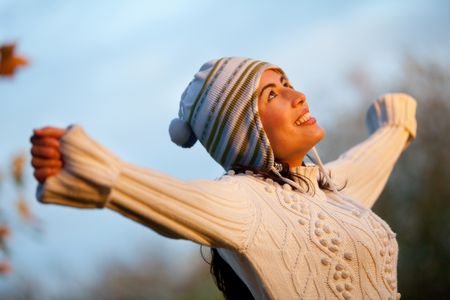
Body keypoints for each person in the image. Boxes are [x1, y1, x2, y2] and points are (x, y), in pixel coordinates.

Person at [30, 57, 417, 299]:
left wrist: (393, 126)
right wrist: (86, 168)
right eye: (271, 95)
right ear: (244, 131)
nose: (297, 95)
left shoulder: (328, 190)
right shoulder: (244, 202)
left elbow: (367, 161)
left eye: (286, 83)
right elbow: (175, 201)